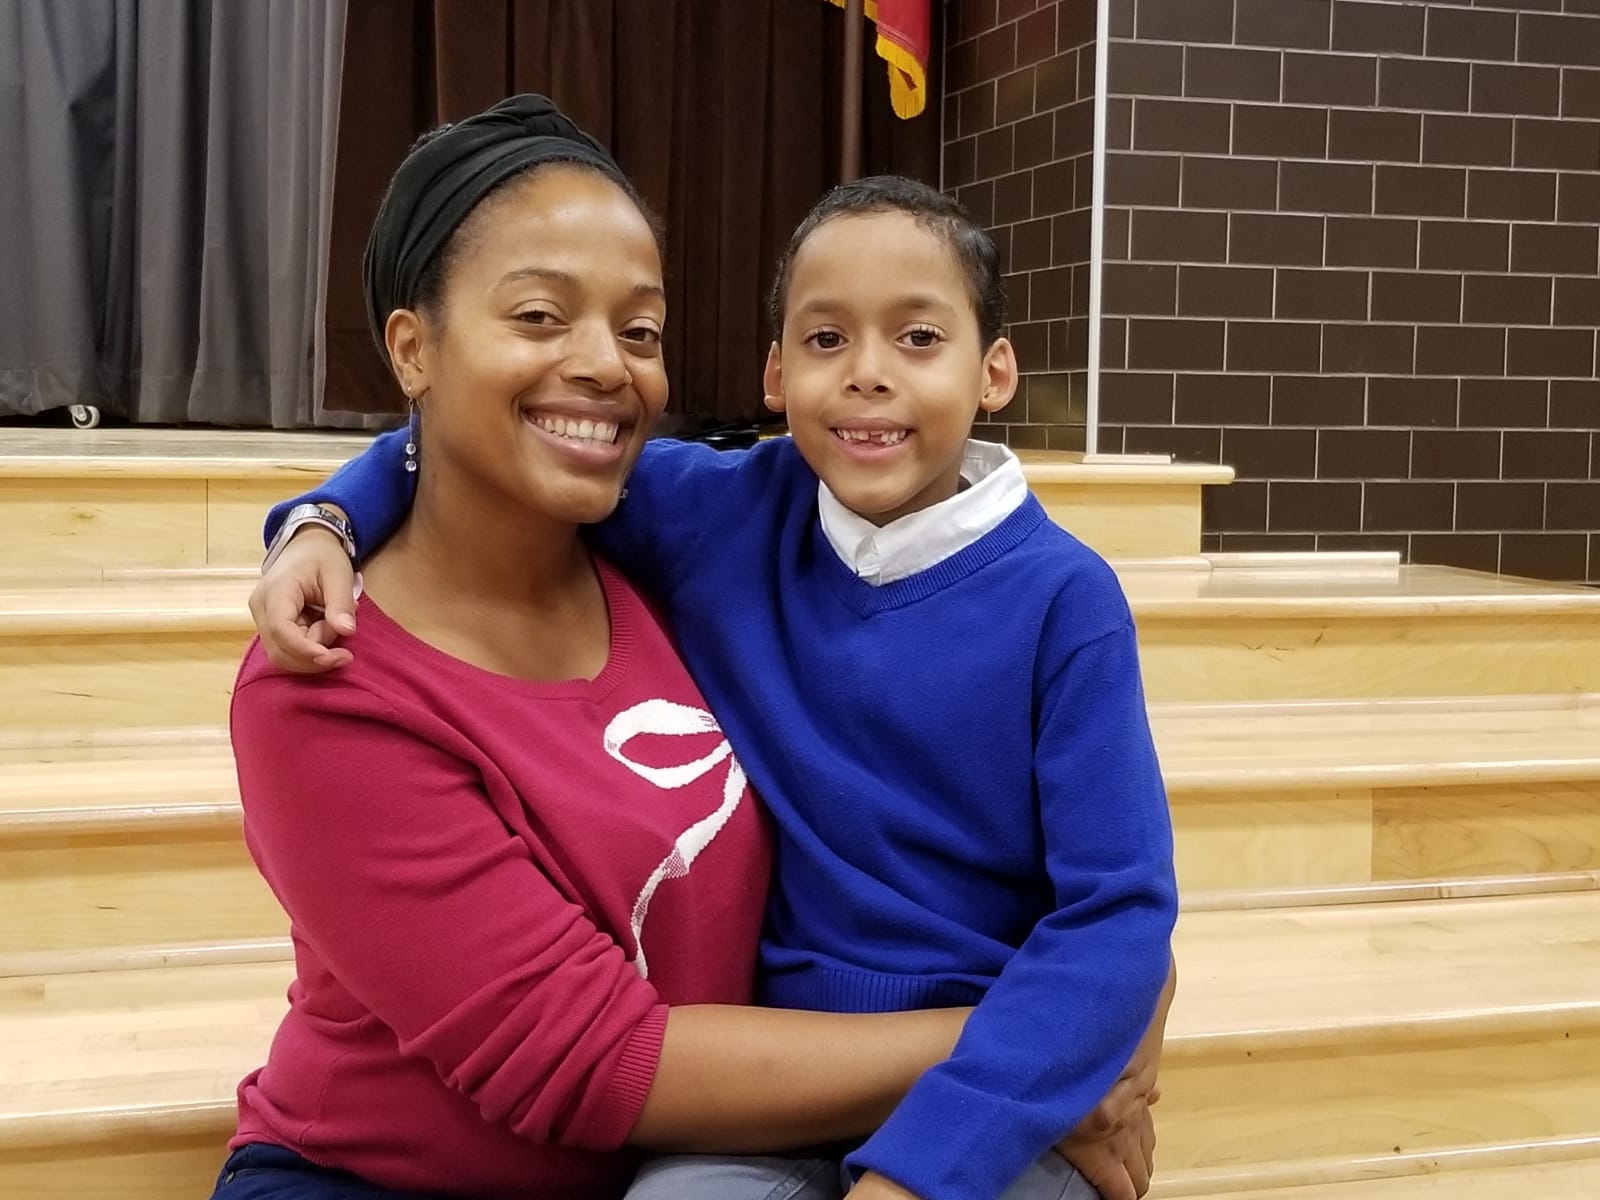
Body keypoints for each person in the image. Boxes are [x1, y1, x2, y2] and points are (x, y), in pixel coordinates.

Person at [252, 167, 1178, 1200]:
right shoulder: (727, 514)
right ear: (775, 373)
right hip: (772, 1089)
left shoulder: (1063, 600)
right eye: (827, 340)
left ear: (993, 370)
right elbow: (468, 445)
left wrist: (1039, 1057)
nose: (869, 374)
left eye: (919, 337)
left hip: (984, 1095)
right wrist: (322, 519)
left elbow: (1118, 911)